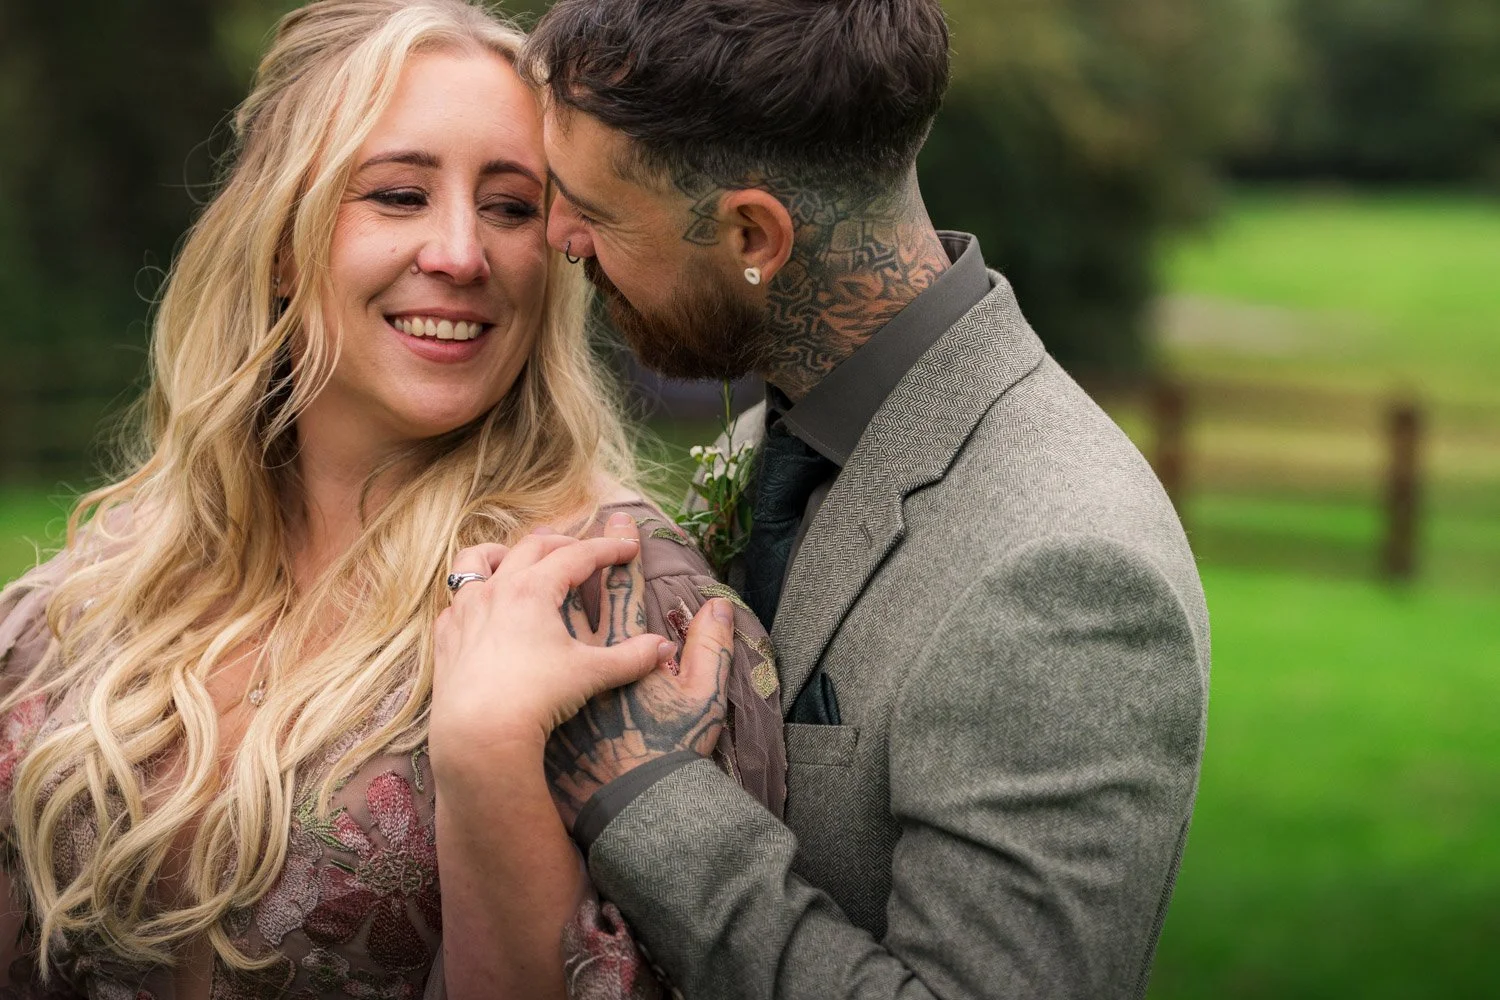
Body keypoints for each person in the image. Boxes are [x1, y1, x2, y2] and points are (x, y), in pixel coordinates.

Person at [0, 2, 783, 998]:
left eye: (510, 207)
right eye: (400, 195)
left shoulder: (617, 607)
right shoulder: (96, 596)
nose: (461, 254)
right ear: (281, 243)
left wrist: (490, 763)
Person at [435, 0, 1213, 997]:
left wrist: (643, 795)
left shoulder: (1061, 568)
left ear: (754, 233)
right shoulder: (784, 432)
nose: (558, 238)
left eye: (594, 209)